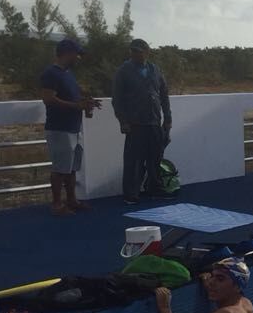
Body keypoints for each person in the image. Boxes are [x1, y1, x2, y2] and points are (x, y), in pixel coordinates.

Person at [38, 38, 101, 217]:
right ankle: (57, 204)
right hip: (59, 128)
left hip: (73, 127)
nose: (78, 58)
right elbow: (48, 98)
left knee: (71, 167)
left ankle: (72, 200)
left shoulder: (67, 74)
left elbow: (72, 97)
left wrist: (87, 102)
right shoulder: (51, 73)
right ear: (67, 53)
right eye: (76, 54)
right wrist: (76, 106)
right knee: (60, 168)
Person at [111, 38, 172, 205]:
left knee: (155, 158)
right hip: (135, 123)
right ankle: (131, 193)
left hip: (154, 121)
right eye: (133, 51)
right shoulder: (123, 71)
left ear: (147, 52)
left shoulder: (155, 69)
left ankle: (154, 188)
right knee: (133, 161)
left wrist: (168, 118)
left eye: (138, 51)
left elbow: (164, 95)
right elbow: (117, 99)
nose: (135, 54)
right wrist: (123, 121)